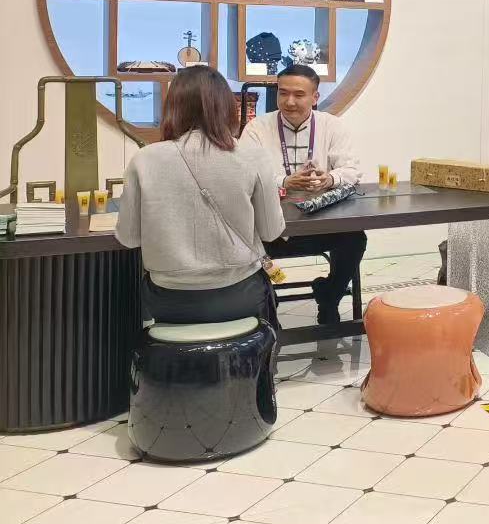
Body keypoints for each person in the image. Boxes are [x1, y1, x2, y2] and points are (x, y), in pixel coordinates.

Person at [117, 65, 284, 329]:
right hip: (239, 292)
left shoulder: (144, 159)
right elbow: (271, 231)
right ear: (227, 107)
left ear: (173, 107)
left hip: (167, 299)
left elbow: (128, 238)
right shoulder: (253, 156)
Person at [241, 64, 364, 324]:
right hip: (271, 229)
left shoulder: (332, 126)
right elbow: (244, 175)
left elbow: (352, 170)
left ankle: (330, 295)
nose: (289, 102)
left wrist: (329, 178)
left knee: (355, 239)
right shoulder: (256, 129)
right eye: (283, 93)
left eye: (299, 95)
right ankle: (267, 305)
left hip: (321, 224)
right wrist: (285, 181)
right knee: (246, 245)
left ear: (315, 97)